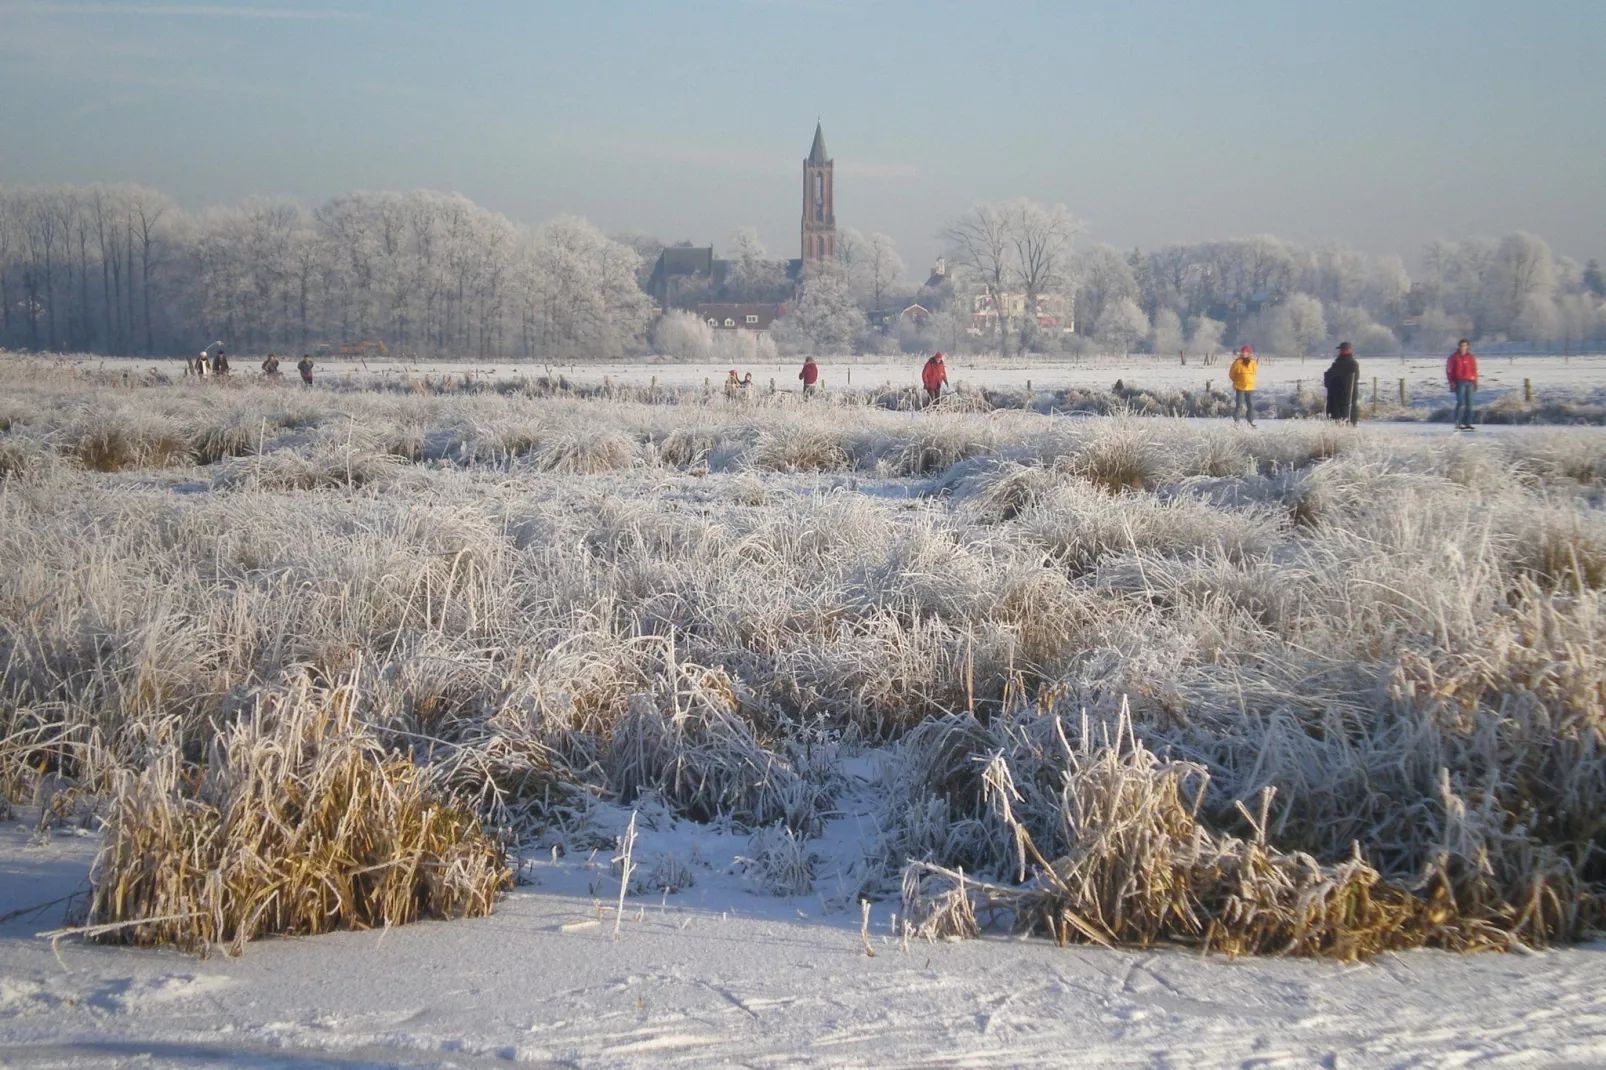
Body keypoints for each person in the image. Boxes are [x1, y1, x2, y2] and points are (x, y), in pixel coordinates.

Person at [1324, 342, 1361, 425]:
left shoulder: (1349, 363)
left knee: (1343, 418)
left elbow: (1353, 379)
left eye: (1342, 350)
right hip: (1343, 397)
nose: (1340, 351)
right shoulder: (1339, 363)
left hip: (1343, 397)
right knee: (1343, 418)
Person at [1447, 338, 1478, 430]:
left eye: (1464, 346)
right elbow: (1449, 371)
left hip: (1470, 381)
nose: (1463, 348)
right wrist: (1451, 382)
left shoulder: (1471, 357)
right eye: (1461, 346)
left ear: (1468, 346)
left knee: (1470, 403)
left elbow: (1474, 370)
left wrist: (1475, 382)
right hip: (1459, 381)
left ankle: (1468, 423)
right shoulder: (1454, 357)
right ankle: (1458, 422)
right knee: (1461, 403)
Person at [1228, 345, 1257, 426]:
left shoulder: (1253, 362)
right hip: (1240, 386)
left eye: (1246, 352)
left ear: (1249, 353)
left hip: (1250, 386)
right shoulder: (1237, 362)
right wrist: (1236, 380)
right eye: (1243, 352)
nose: (1244, 354)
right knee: (1239, 404)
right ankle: (1236, 422)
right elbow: (1231, 374)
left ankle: (1250, 421)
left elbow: (1254, 372)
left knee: (1250, 404)